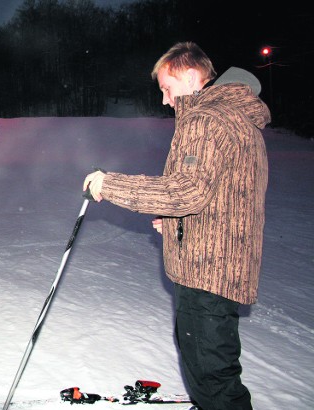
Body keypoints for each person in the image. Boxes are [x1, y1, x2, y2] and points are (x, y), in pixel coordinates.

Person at [83, 42, 270, 410]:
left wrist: (111, 184)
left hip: (206, 274)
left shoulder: (208, 118)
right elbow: (227, 197)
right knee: (211, 370)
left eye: (167, 89)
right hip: (222, 266)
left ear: (189, 76)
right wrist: (177, 225)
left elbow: (188, 191)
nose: (166, 101)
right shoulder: (238, 120)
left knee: (213, 379)